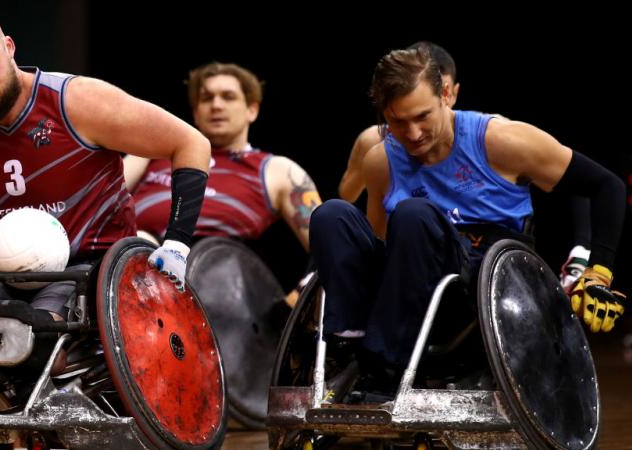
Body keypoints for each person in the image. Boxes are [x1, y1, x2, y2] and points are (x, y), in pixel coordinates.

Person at [311, 47, 627, 396]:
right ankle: (348, 345)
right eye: (398, 122)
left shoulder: (501, 140)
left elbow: (605, 186)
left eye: (422, 116)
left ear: (446, 95)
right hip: (412, 275)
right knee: (331, 215)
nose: (413, 133)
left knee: (414, 213)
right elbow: (377, 243)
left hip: (482, 278)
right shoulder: (380, 160)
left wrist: (599, 271)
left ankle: (386, 365)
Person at [0, 4, 210, 323]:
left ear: (9, 47)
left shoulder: (77, 101)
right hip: (9, 271)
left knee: (36, 339)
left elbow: (190, 143)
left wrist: (177, 244)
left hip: (94, 267)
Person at [124, 62, 321, 296]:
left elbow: (328, 247)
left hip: (222, 292)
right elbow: (102, 201)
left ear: (252, 110)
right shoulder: (151, 152)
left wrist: (297, 300)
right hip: (137, 264)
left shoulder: (277, 170)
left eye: (228, 97)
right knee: (134, 244)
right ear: (196, 112)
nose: (216, 105)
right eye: (206, 98)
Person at [338, 41, 460, 204]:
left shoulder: (475, 139)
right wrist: (374, 162)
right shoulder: (374, 142)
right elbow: (346, 195)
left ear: (450, 93)